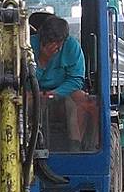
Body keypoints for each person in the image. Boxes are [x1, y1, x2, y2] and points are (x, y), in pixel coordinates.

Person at [30, 16, 93, 151]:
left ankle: (75, 148)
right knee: (19, 99)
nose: (55, 47)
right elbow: (24, 79)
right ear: (41, 37)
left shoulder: (72, 47)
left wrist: (55, 93)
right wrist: (43, 60)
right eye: (49, 41)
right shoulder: (28, 46)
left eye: (58, 43)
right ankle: (28, 145)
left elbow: (76, 80)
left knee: (79, 100)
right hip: (33, 91)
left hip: (62, 92)